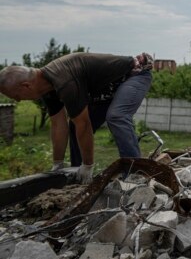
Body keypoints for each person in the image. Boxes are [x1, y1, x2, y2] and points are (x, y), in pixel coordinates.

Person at [0, 52, 153, 183]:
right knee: (74, 127)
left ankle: (135, 173)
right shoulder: (47, 87)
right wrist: (57, 164)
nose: (18, 100)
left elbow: (84, 125)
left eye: (17, 96)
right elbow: (58, 126)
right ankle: (77, 175)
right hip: (107, 90)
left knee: (116, 116)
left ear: (27, 86)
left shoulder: (64, 81)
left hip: (134, 75)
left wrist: (88, 165)